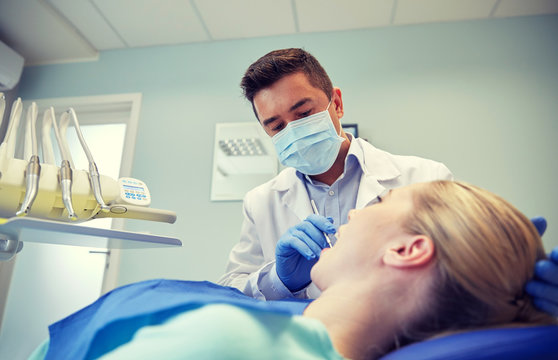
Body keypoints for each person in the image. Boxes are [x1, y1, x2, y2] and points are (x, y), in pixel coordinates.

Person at [32, 181, 557, 360]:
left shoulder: (233, 337)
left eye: (381, 200)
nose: (353, 212)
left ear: (407, 250)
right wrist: (278, 281)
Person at [218, 48, 453, 300]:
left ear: (337, 104)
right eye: (277, 126)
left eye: (304, 114)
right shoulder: (260, 202)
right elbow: (231, 289)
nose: (294, 132)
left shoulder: (426, 178)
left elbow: (460, 270)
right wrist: (280, 279)